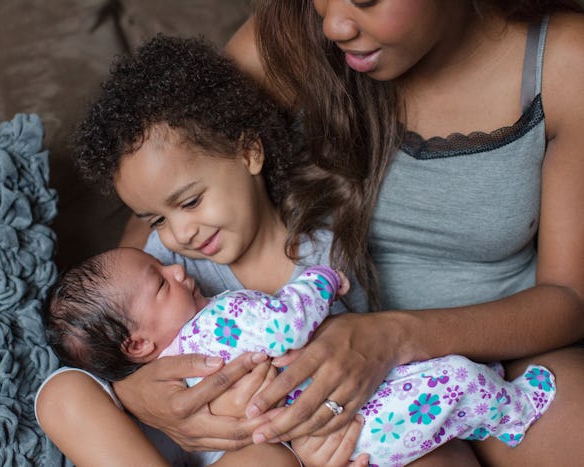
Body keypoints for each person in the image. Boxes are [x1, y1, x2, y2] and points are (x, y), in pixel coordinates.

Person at [205, 1, 584, 465]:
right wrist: (130, 385)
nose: (333, 25)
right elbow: (159, 188)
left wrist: (394, 338)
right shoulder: (289, 34)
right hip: (320, 366)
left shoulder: (565, 60)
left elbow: (569, 296)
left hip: (499, 343)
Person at [35, 33, 368, 467]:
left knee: (269, 460)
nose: (179, 234)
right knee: (61, 394)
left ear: (248, 152)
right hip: (158, 445)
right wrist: (131, 393)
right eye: (156, 219)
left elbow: (352, 371)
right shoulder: (163, 261)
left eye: (190, 202)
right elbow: (120, 342)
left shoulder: (326, 259)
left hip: (264, 442)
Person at [44, 245, 555, 466]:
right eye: (161, 281)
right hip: (351, 425)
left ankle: (488, 403)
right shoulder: (218, 320)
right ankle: (512, 411)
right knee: (454, 381)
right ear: (137, 346)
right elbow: (287, 322)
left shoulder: (174, 362)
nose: (179, 269)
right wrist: (320, 277)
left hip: (339, 422)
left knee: (440, 385)